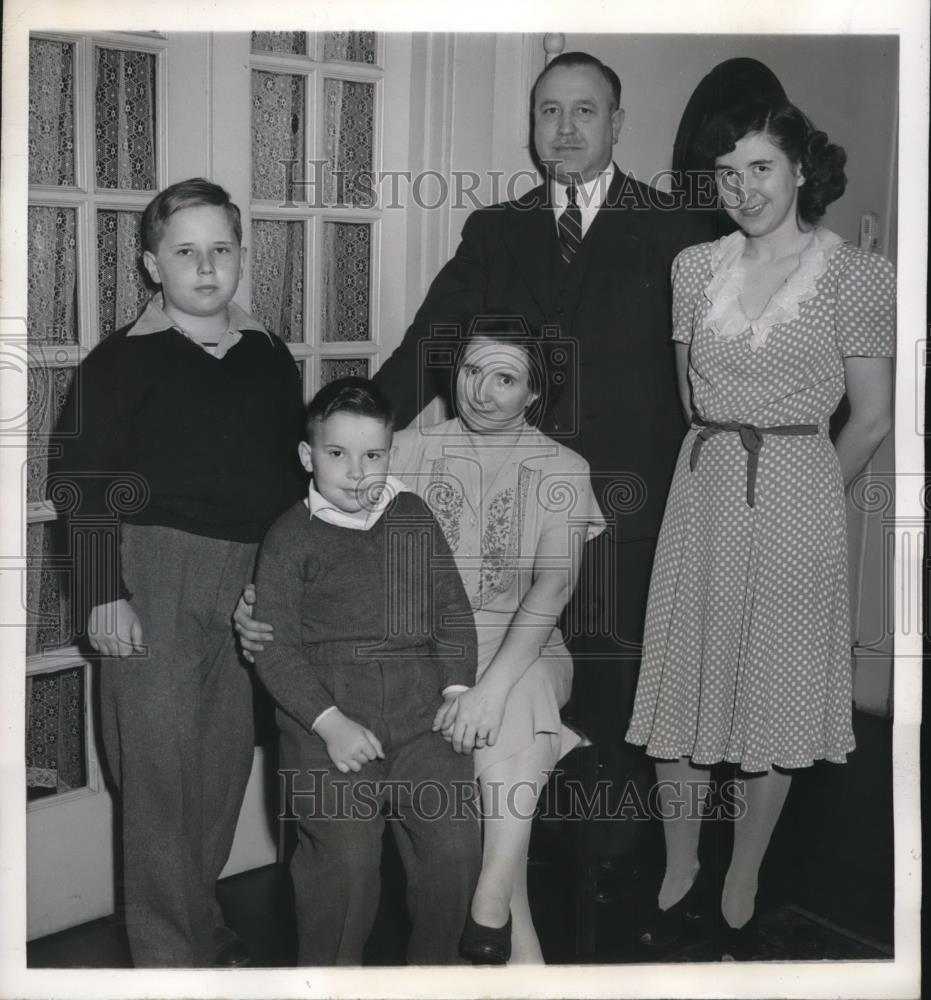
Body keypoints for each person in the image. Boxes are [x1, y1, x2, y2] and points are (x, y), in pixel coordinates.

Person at [371, 51, 714, 795]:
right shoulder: (496, 230)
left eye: (584, 111)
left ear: (616, 124)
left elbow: (706, 375)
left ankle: (605, 866)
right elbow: (427, 345)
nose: (563, 129)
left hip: (630, 506)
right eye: (548, 112)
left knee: (615, 687)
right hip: (511, 505)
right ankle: (518, 848)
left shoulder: (676, 232)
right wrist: (356, 441)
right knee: (511, 682)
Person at [624, 100, 895, 960]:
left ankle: (743, 868)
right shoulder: (692, 265)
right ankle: (679, 859)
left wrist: (808, 490)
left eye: (760, 168)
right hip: (701, 487)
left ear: (800, 171)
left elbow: (874, 418)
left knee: (770, 695)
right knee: (686, 679)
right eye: (726, 173)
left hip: (795, 494)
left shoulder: (856, 276)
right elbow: (688, 396)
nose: (741, 188)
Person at [50, 178, 306, 967]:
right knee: (158, 777)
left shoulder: (268, 356)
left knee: (222, 767)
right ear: (151, 265)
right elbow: (80, 481)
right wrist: (101, 592)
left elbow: (291, 478)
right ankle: (167, 958)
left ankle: (198, 919)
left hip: (246, 579)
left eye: (221, 249)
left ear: (241, 259)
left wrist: (286, 580)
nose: (205, 266)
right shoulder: (120, 362)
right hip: (149, 574)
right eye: (185, 251)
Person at [392, 319, 606, 964]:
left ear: (535, 393)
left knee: (524, 685)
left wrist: (488, 689)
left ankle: (488, 894)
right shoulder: (405, 450)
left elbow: (553, 589)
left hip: (527, 639)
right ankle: (517, 940)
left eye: (505, 378)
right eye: (469, 371)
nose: (481, 392)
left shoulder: (563, 466)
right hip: (424, 644)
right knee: (516, 709)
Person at [250, 377, 481, 966]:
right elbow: (274, 650)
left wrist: (457, 689)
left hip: (422, 719)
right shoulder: (288, 538)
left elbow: (451, 607)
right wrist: (329, 723)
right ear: (308, 456)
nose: (357, 472)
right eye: (337, 454)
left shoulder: (412, 515)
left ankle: (434, 975)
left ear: (390, 455)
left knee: (454, 852)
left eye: (372, 454)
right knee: (345, 869)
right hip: (328, 727)